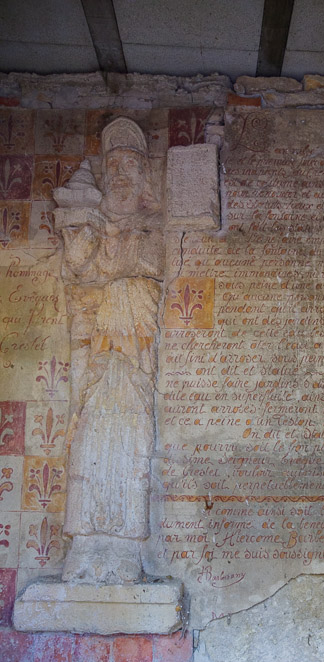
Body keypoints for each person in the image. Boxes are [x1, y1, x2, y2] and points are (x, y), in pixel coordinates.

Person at [55, 117, 165, 584]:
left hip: (133, 358)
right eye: (112, 165)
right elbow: (77, 276)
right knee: (87, 440)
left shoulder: (153, 227)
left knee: (132, 441)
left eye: (130, 166)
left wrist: (112, 283)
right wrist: (83, 243)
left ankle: (125, 551)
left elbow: (149, 280)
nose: (120, 175)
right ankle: (85, 547)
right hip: (96, 359)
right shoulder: (92, 225)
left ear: (144, 175)